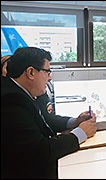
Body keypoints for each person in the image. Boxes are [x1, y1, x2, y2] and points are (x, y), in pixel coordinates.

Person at [1, 47, 97, 179]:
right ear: (31, 72)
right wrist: (81, 133)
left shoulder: (19, 91)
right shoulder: (10, 101)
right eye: (47, 72)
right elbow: (40, 151)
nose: (50, 78)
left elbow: (46, 119)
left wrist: (75, 121)